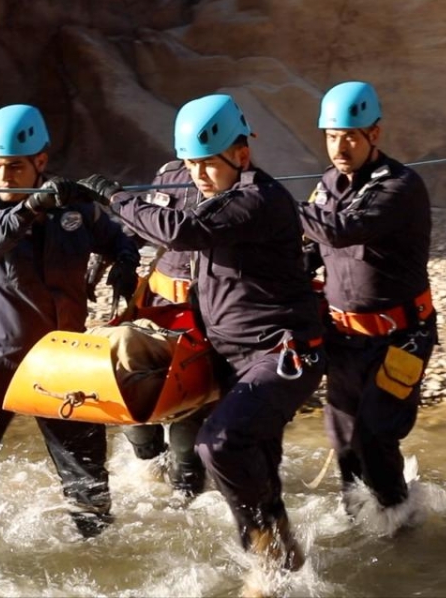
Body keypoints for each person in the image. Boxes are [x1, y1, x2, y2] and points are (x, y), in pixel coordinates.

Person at [77, 94, 327, 579]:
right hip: (230, 357)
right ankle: (280, 566)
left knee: (220, 444)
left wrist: (114, 196)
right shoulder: (221, 197)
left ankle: (268, 553)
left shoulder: (258, 199)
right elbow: (164, 230)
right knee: (260, 471)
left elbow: (181, 230)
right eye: (191, 165)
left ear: (241, 154)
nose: (198, 176)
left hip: (280, 354)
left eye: (208, 164)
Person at [0, 104, 140, 560]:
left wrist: (126, 262)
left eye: (15, 166)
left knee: (90, 487)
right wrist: (32, 206)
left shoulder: (76, 209)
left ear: (41, 161)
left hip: (62, 362)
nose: (4, 176)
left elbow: (119, 237)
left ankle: (102, 563)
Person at [296, 81, 437, 522]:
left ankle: (400, 523)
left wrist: (274, 204)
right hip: (343, 338)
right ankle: (359, 526)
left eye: (350, 137)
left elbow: (342, 231)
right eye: (332, 137)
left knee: (374, 439)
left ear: (374, 134)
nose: (340, 147)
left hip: (400, 338)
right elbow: (312, 250)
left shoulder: (401, 187)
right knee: (345, 448)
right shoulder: (327, 184)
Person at [115, 160, 211, 502]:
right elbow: (141, 223)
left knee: (188, 424)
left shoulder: (240, 182)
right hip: (157, 310)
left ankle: (188, 498)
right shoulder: (170, 175)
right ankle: (149, 472)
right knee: (134, 407)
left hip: (207, 319)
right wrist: (121, 255)